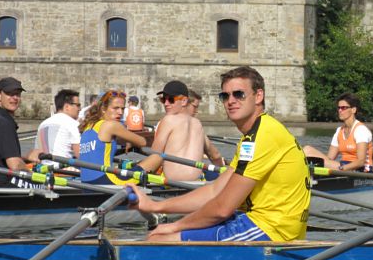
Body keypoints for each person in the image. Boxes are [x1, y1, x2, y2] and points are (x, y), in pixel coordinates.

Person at [131, 66, 311, 242]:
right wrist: (155, 205)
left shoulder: (263, 135)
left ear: (258, 96)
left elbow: (222, 209)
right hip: (262, 221)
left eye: (239, 94)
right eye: (225, 96)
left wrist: (174, 226)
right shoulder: (254, 134)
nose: (231, 101)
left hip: (272, 230)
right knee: (164, 234)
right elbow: (214, 190)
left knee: (160, 239)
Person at [78, 89, 160, 185]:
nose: (120, 112)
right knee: (158, 157)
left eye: (122, 109)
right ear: (103, 109)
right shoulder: (111, 125)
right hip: (106, 181)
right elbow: (142, 142)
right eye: (115, 108)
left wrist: (127, 141)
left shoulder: (88, 126)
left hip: (86, 182)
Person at [0, 77, 38, 188]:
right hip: (1, 186)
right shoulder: (4, 123)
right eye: (10, 94)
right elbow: (15, 165)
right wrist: (32, 173)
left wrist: (25, 159)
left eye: (17, 94)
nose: (15, 98)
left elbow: (2, 157)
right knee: (45, 184)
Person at [150, 80, 207, 181]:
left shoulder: (168, 120)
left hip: (174, 185)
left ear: (184, 101)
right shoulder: (198, 123)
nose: (166, 104)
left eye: (171, 100)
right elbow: (215, 155)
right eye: (163, 99)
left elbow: (154, 156)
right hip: (197, 183)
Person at [303, 93, 373, 172]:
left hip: (361, 169)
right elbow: (329, 158)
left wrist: (341, 169)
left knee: (320, 163)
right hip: (343, 166)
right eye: (339, 108)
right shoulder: (339, 131)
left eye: (343, 108)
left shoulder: (361, 130)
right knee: (307, 150)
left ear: (353, 110)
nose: (340, 110)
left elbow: (360, 162)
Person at [32, 89, 82, 162]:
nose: (80, 109)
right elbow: (80, 155)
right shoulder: (73, 124)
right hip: (62, 167)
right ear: (67, 106)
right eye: (78, 105)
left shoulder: (42, 124)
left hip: (42, 166)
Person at [188, 88, 226, 169]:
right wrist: (222, 170)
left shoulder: (164, 122)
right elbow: (215, 156)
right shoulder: (194, 124)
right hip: (191, 174)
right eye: (195, 107)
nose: (196, 111)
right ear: (184, 103)